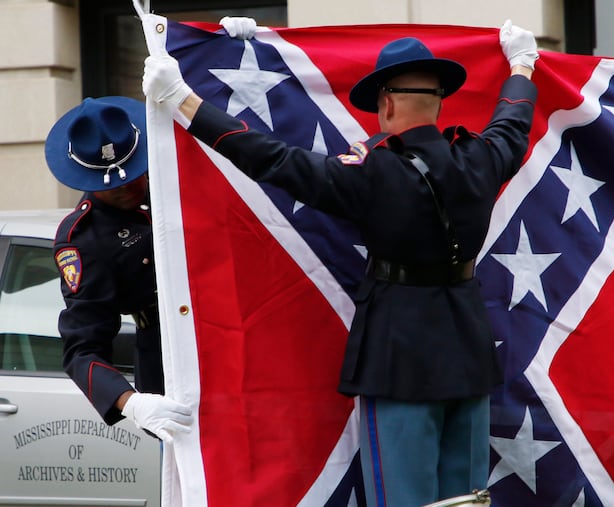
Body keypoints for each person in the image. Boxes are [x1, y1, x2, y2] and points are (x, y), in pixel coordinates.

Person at [142, 18, 538, 505]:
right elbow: (514, 118)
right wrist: (522, 62)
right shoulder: (481, 157)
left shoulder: (373, 173)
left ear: (387, 103)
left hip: (399, 357)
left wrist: (184, 101)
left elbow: (271, 159)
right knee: (466, 501)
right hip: (470, 351)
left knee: (404, 499)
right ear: (437, 101)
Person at [45, 96, 193, 441]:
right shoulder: (84, 239)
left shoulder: (171, 183)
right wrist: (132, 403)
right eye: (112, 186)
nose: (127, 188)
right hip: (170, 360)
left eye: (132, 176)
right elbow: (83, 348)